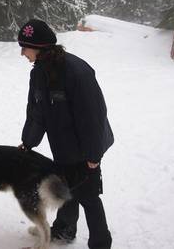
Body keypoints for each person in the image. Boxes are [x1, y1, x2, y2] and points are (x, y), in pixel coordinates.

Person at [17, 19, 114, 249]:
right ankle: (64, 230)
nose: (22, 53)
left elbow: (93, 116)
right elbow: (37, 112)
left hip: (86, 148)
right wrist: (28, 142)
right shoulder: (39, 73)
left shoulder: (76, 71)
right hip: (62, 146)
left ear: (40, 48)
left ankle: (101, 243)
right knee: (64, 189)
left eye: (25, 47)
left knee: (89, 198)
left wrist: (93, 155)